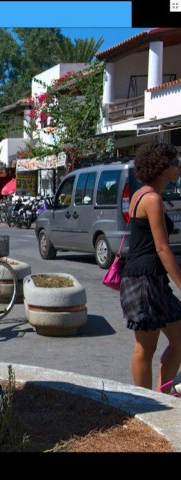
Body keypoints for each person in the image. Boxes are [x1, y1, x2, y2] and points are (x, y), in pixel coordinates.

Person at [120, 141, 181, 394]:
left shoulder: (143, 194)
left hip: (152, 279)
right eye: (175, 163)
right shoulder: (151, 198)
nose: (178, 167)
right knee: (145, 347)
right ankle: (143, 402)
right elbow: (162, 248)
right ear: (161, 168)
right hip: (143, 280)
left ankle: (163, 394)